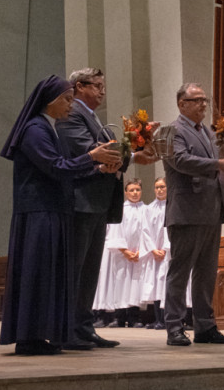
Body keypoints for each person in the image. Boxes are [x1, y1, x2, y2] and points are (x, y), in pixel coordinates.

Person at [0, 75, 121, 355]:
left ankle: (38, 336)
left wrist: (98, 169)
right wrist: (92, 157)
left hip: (49, 210)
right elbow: (56, 167)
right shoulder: (35, 129)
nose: (70, 105)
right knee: (36, 274)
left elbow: (62, 167)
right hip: (38, 213)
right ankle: (29, 338)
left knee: (45, 275)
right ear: (49, 101)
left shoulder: (45, 127)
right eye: (67, 99)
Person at [57, 68, 157, 349]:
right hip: (81, 200)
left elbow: (107, 150)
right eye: (97, 86)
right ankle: (67, 330)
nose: (102, 91)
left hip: (97, 201)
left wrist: (135, 149)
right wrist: (133, 148)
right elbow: (87, 150)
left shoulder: (91, 115)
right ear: (79, 87)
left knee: (89, 270)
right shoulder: (71, 114)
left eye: (103, 86)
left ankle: (83, 327)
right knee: (75, 269)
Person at [163, 83, 224, 346]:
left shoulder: (208, 133)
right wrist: (218, 165)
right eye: (196, 100)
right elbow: (180, 161)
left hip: (211, 209)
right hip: (186, 210)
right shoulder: (172, 131)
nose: (203, 104)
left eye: (204, 100)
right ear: (181, 104)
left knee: (207, 272)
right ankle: (174, 326)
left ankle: (205, 325)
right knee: (180, 271)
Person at [104, 179, 148, 327]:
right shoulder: (121, 209)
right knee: (121, 282)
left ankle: (135, 318)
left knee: (136, 285)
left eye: (137, 190)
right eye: (131, 190)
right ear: (126, 192)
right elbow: (115, 232)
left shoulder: (146, 210)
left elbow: (149, 233)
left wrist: (142, 249)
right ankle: (120, 318)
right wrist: (125, 251)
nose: (135, 193)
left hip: (140, 254)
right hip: (122, 254)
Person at [141, 177, 169, 329]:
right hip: (154, 253)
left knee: (165, 285)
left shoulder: (172, 206)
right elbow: (145, 230)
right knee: (155, 286)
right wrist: (153, 249)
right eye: (157, 187)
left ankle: (167, 320)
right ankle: (158, 319)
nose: (159, 190)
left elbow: (170, 230)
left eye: (162, 187)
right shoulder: (149, 208)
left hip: (167, 252)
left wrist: (165, 248)